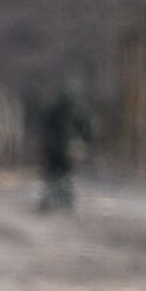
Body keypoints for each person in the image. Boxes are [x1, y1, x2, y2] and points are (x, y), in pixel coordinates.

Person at [38, 79, 91, 212]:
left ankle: (50, 202)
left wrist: (45, 142)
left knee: (52, 175)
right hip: (68, 147)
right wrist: (85, 143)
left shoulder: (55, 107)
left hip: (54, 147)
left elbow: (45, 125)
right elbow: (87, 128)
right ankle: (65, 202)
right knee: (65, 174)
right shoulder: (78, 109)